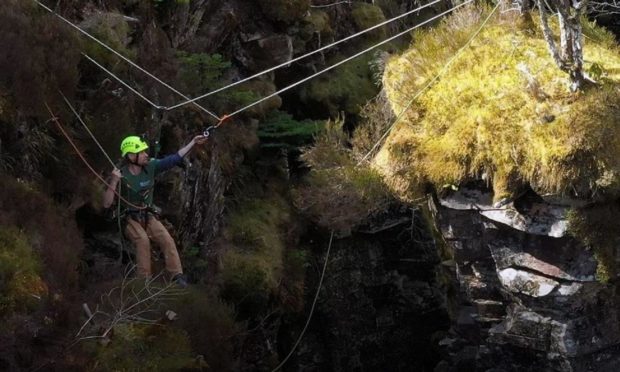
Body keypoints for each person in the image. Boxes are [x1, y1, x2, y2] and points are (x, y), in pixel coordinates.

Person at [102, 134, 208, 287]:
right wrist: (114, 181)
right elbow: (106, 204)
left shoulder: (151, 166)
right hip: (129, 218)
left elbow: (174, 159)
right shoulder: (121, 175)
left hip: (147, 215)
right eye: (142, 152)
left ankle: (176, 275)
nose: (146, 155)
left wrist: (192, 142)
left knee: (166, 239)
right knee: (142, 240)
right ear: (132, 156)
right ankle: (143, 281)